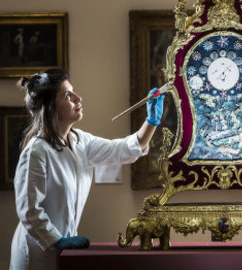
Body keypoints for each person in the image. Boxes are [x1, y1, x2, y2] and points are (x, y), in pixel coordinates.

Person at [9, 68, 165, 270]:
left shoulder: (80, 141)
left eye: (74, 91)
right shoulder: (37, 152)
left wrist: (151, 121)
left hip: (62, 249)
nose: (78, 98)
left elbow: (126, 150)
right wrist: (56, 240)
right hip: (36, 252)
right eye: (67, 95)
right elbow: (29, 212)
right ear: (50, 107)